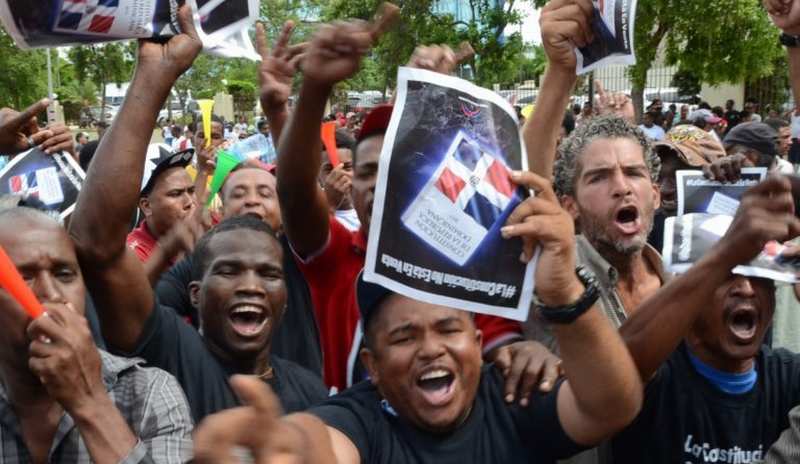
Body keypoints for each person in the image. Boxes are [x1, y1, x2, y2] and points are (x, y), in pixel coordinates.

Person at [192, 162, 645, 464]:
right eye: (404, 337)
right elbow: (322, 444)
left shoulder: (512, 398)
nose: (431, 349)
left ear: (477, 343)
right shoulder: (359, 420)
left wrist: (565, 290)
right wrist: (286, 449)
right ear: (372, 366)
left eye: (448, 328)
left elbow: (614, 405)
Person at [67, 5, 327, 423]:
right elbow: (97, 247)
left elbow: (302, 196)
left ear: (285, 300)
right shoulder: (174, 353)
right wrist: (154, 75)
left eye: (269, 274)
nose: (250, 285)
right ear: (194, 293)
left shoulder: (314, 392)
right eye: (227, 271)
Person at [273, 17, 523, 391]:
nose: (382, 184)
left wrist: (524, 355)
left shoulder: (468, 269)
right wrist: (315, 86)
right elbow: (293, 191)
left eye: (399, 170)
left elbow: (507, 353)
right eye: (369, 171)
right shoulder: (338, 257)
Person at [610, 175, 800, 463]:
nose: (746, 289)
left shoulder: (789, 379)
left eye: (760, 278)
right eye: (727, 275)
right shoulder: (659, 379)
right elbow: (613, 368)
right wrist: (728, 249)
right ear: (691, 296)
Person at [0, 207, 195, 464]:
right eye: (24, 278)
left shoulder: (148, 394)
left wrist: (89, 401)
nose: (53, 294)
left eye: (64, 274)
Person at [647, 124, 725, 251]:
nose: (664, 190)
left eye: (679, 177)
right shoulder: (649, 228)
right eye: (658, 176)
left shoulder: (732, 227)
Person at [126, 144, 198, 264]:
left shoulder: (205, 231)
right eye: (176, 194)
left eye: (191, 191)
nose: (190, 202)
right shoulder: (134, 256)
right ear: (146, 206)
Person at [320, 129, 360, 231]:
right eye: (329, 170)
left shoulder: (369, 205)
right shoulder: (312, 214)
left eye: (347, 167)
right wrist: (330, 205)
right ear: (317, 175)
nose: (340, 175)